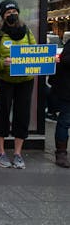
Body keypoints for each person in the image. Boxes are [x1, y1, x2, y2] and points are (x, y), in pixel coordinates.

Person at [0, 0, 37, 169]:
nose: (12, 15)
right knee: (2, 113)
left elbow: (35, 51)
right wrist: (3, 63)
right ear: (3, 15)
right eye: (8, 13)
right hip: (5, 80)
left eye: (14, 12)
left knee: (22, 115)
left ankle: (17, 153)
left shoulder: (27, 31)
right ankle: (0, 152)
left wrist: (47, 60)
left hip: (25, 80)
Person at [53, 37, 69, 168]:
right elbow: (65, 61)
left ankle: (61, 153)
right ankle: (61, 153)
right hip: (67, 90)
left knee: (64, 121)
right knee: (64, 121)